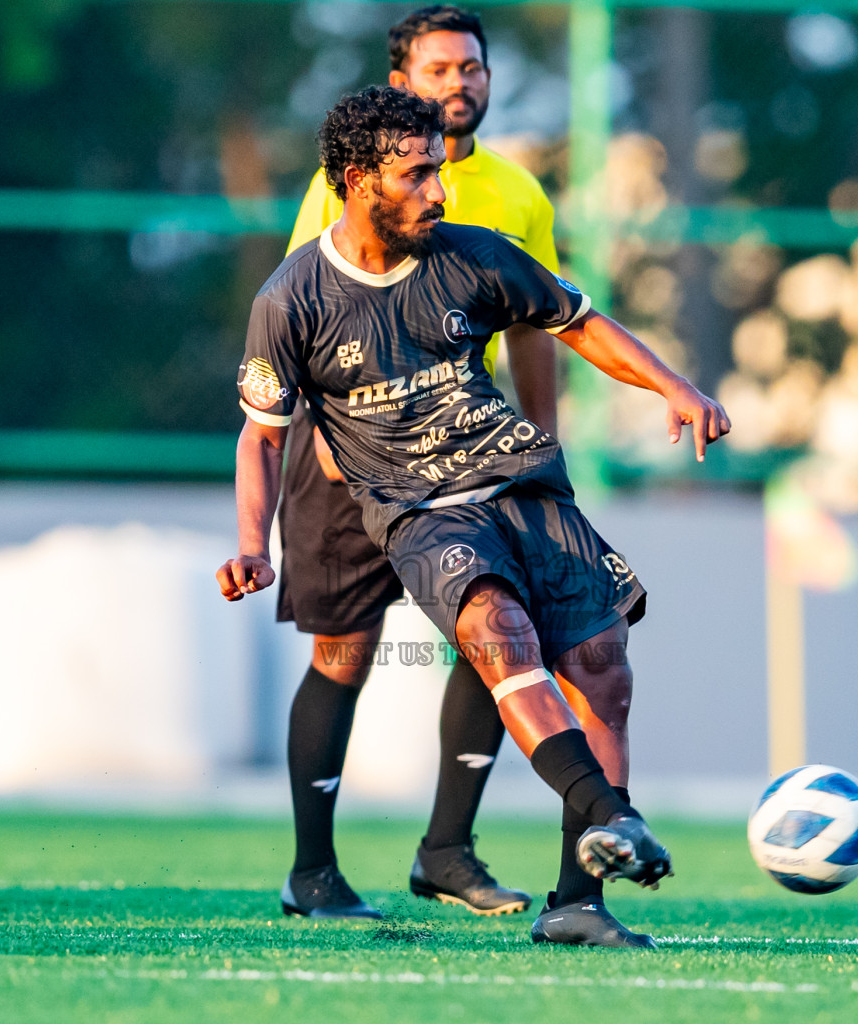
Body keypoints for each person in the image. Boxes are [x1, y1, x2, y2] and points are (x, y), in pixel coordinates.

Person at [218, 87, 730, 947]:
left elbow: (580, 324)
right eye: (416, 174)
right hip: (421, 512)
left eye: (439, 169)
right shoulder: (291, 299)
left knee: (604, 674)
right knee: (497, 631)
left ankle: (578, 905)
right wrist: (251, 542)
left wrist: (673, 386)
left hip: (524, 486)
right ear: (357, 180)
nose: (438, 190)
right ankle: (611, 813)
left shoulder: (478, 257)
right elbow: (261, 439)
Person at [277, 5, 561, 922]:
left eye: (472, 67)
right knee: (344, 653)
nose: (460, 83)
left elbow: (542, 323)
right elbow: (302, 316)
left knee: (497, 635)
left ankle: (447, 852)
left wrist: (542, 443)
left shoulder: (518, 195)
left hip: (462, 459)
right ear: (403, 83)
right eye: (440, 69)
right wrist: (325, 444)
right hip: (348, 455)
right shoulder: (348, 184)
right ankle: (312, 873)